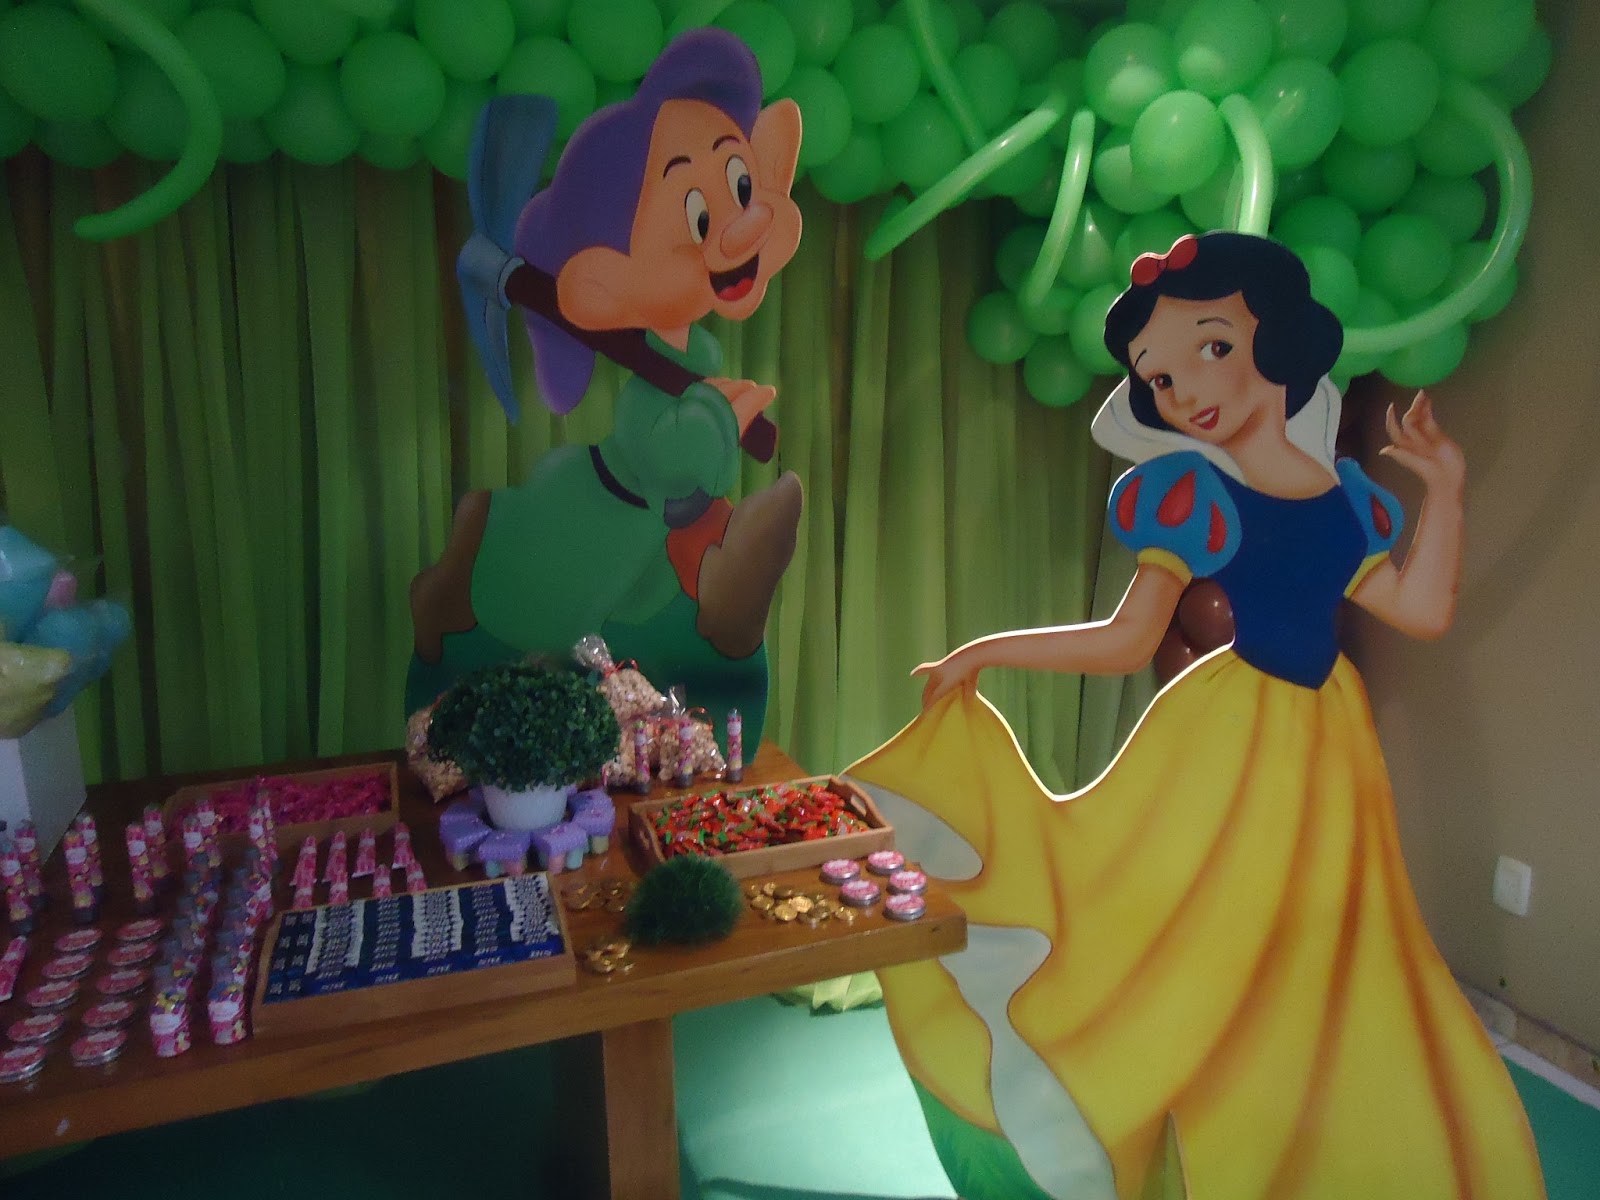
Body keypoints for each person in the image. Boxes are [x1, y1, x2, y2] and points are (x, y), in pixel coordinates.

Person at [848, 233, 1545, 1200]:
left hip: (1328, 759)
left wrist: (1448, 490)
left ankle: (1290, 1157)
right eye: (1161, 377)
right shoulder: (1194, 498)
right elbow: (1127, 639)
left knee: (1321, 963)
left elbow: (1422, 611)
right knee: (1192, 952)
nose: (1185, 391)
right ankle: (1171, 1148)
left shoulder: (1347, 504)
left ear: (1280, 342)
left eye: (1212, 348)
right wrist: (986, 651)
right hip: (1227, 748)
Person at [411, 29, 803, 688]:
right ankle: (458, 585)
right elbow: (657, 447)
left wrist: (718, 421)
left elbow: (696, 462)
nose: (736, 230)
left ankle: (713, 596)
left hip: (654, 526)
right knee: (546, 607)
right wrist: (718, 417)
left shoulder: (697, 349)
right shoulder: (651, 370)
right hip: (606, 505)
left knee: (641, 605)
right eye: (698, 219)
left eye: (740, 185)